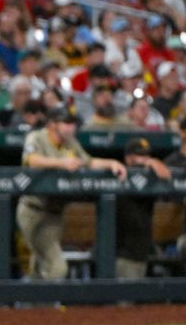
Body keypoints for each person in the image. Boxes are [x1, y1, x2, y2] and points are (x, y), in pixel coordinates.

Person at [17, 107, 127, 280]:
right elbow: (32, 160)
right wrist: (61, 163)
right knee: (57, 267)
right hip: (34, 210)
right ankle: (46, 305)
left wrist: (111, 163)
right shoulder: (37, 137)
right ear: (52, 124)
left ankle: (34, 304)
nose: (71, 127)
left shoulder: (70, 142)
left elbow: (88, 162)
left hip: (55, 213)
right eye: (66, 123)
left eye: (72, 124)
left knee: (40, 265)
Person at [116, 138, 171, 279]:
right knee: (124, 299)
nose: (144, 159)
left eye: (146, 155)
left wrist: (152, 162)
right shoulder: (119, 174)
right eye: (140, 155)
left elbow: (166, 173)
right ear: (128, 158)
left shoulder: (149, 177)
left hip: (141, 253)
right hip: (122, 255)